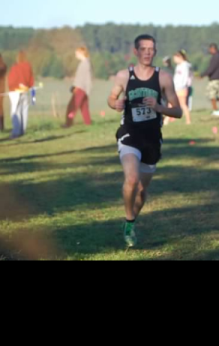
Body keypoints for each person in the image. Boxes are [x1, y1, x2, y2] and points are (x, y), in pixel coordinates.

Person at [107, 34, 182, 248]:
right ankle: (130, 221)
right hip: (129, 134)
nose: (148, 52)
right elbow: (111, 98)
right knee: (131, 179)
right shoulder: (124, 76)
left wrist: (159, 107)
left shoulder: (163, 78)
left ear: (155, 52)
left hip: (152, 139)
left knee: (141, 190)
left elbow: (177, 111)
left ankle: (129, 222)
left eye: (151, 49)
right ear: (136, 52)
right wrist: (116, 103)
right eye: (144, 49)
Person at [63, 46, 93, 128]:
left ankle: (68, 123)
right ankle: (88, 123)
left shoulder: (85, 64)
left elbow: (85, 78)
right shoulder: (84, 63)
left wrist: (77, 87)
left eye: (77, 53)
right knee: (84, 107)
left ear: (81, 53)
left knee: (72, 106)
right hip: (82, 88)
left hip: (80, 89)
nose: (76, 54)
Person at [8, 50, 34, 139]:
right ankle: (22, 130)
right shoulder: (28, 66)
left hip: (17, 92)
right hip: (26, 91)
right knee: (24, 111)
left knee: (16, 111)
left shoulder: (15, 67)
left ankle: (16, 132)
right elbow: (31, 80)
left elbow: (11, 80)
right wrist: (28, 86)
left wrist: (11, 88)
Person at [200, 43, 219, 113]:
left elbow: (211, 68)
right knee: (210, 93)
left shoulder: (216, 57)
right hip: (216, 78)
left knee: (212, 95)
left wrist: (203, 74)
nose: (209, 51)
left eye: (210, 49)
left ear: (213, 49)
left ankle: (215, 110)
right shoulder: (218, 56)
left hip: (216, 78)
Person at [172, 50, 192, 125]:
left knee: (183, 104)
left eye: (175, 58)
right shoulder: (179, 66)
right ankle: (168, 119)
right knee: (172, 104)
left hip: (181, 88)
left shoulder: (185, 65)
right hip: (176, 87)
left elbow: (185, 77)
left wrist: (182, 86)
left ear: (179, 57)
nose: (174, 60)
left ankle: (188, 120)